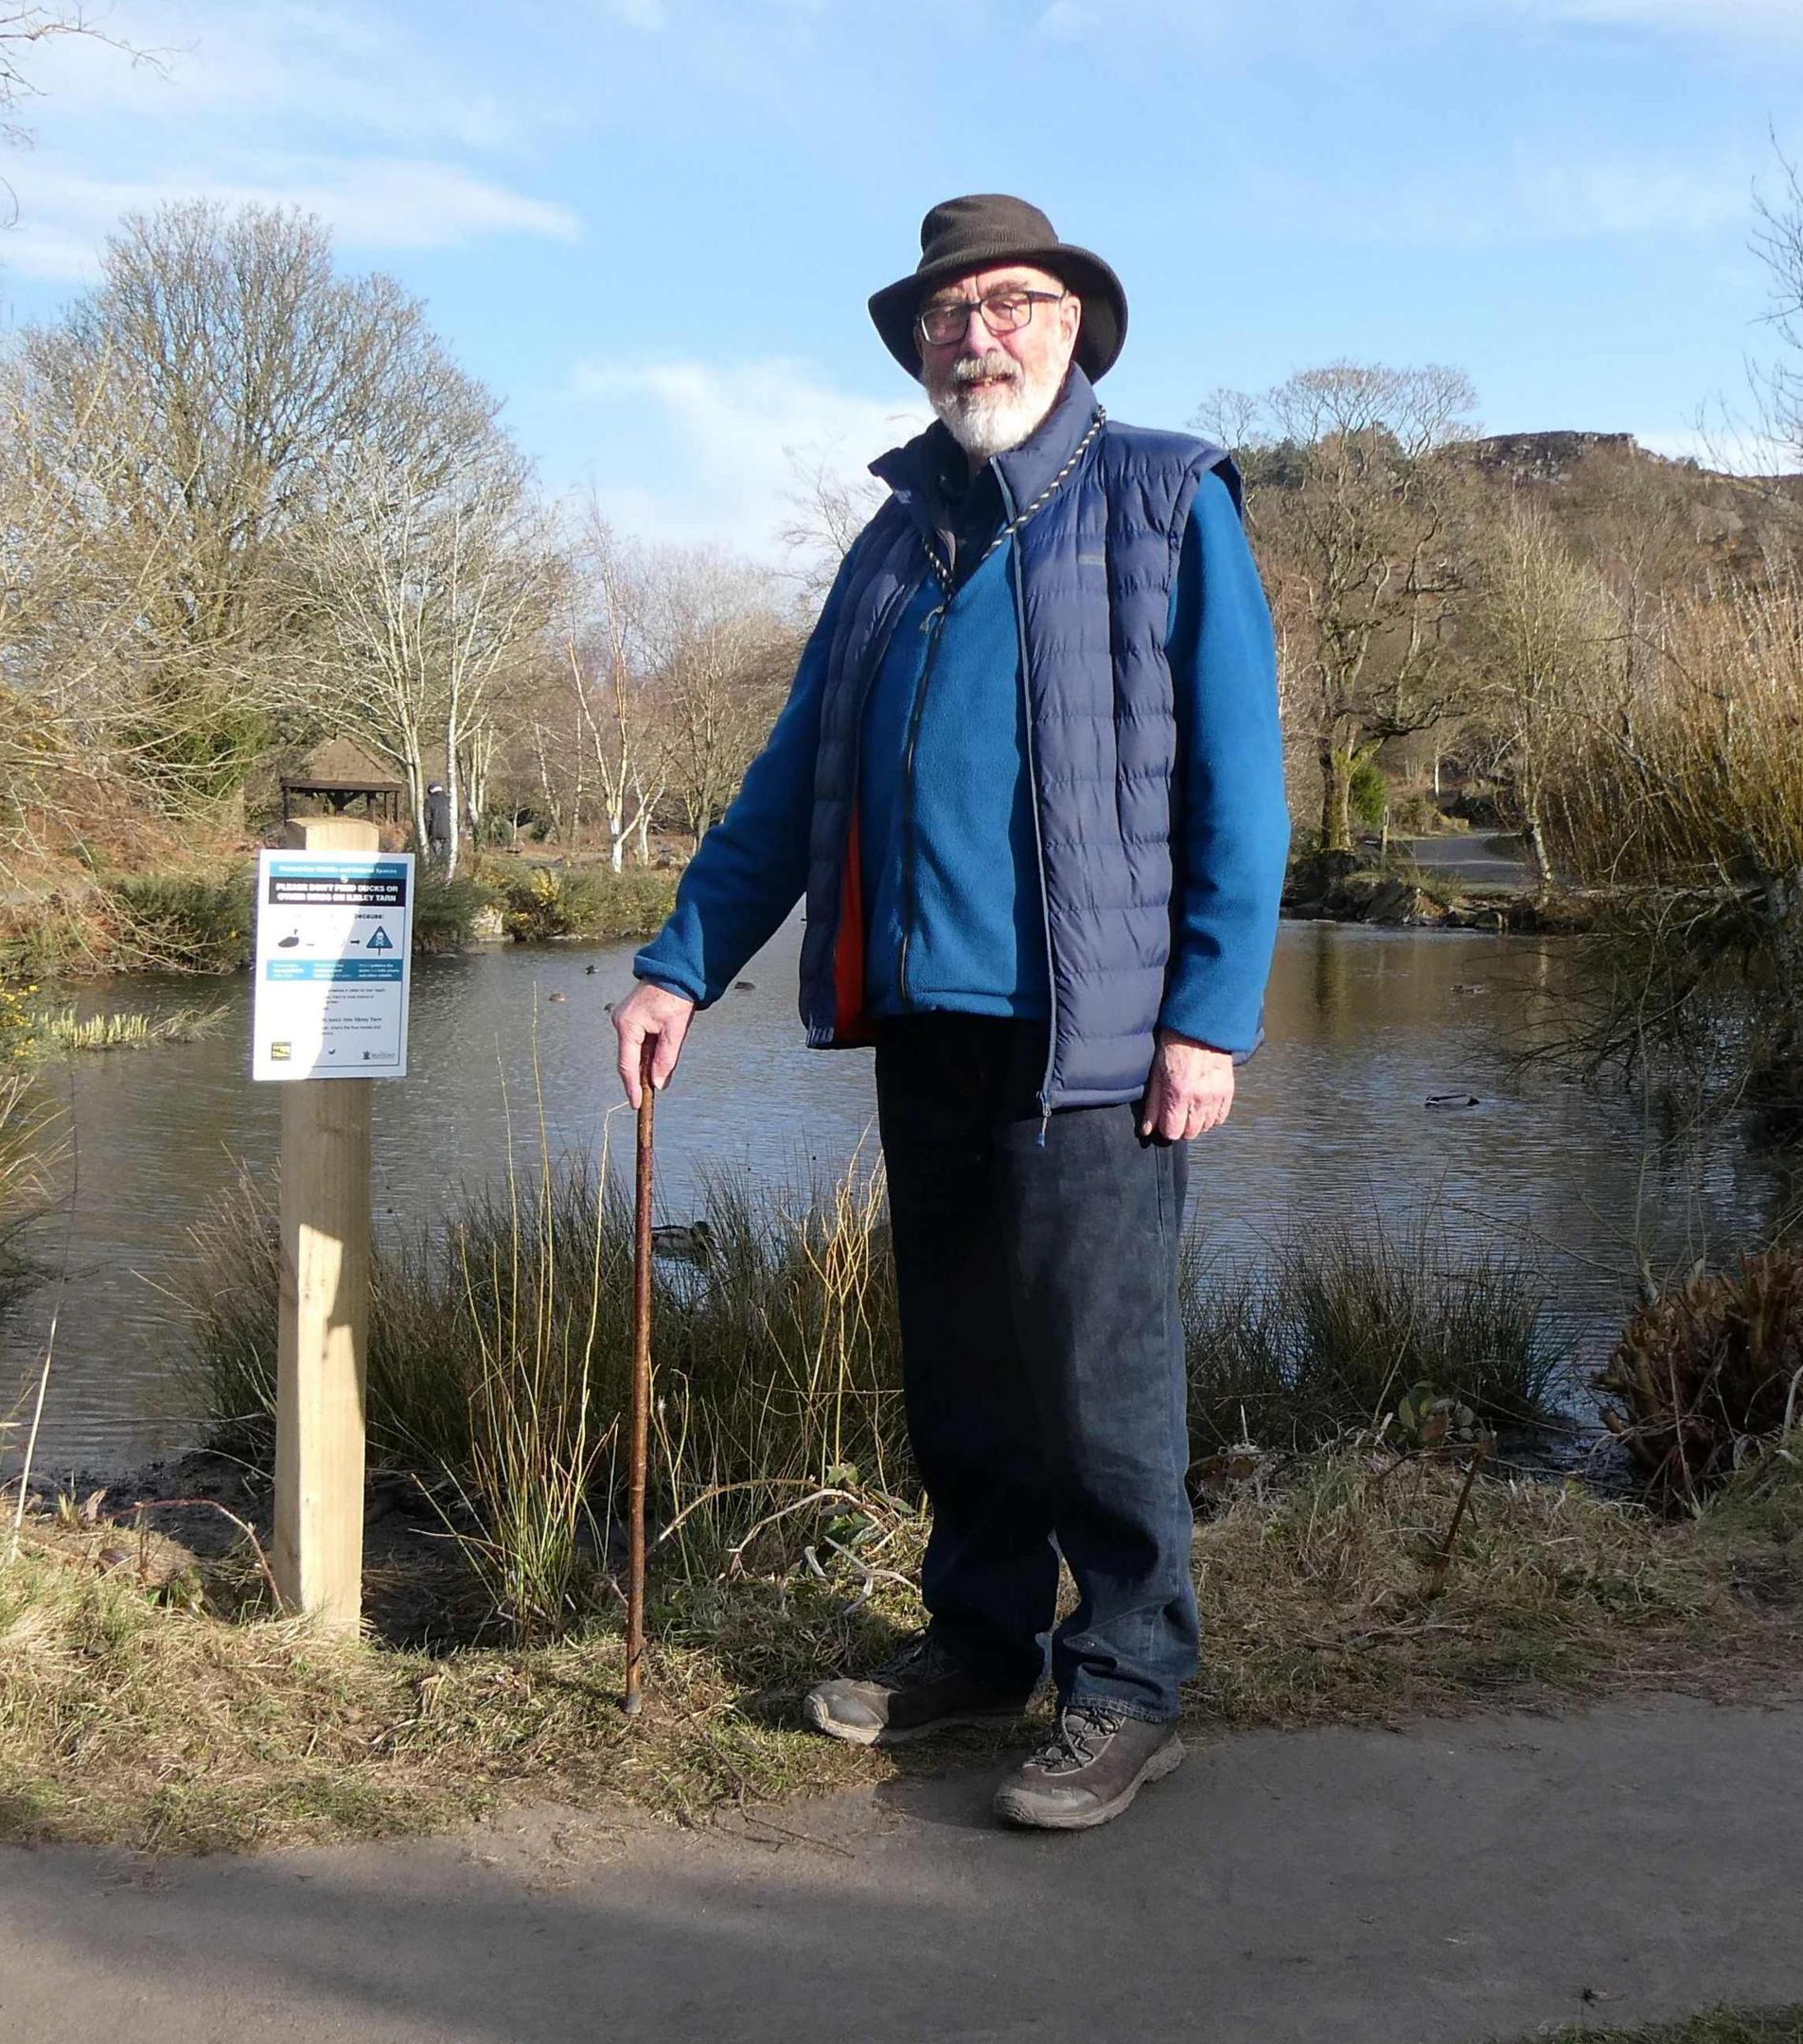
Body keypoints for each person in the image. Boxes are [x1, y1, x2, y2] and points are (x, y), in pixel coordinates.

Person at [612, 194, 1287, 1832]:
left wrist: (1211, 1016)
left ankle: (1126, 1684)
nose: (971, 332)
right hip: (928, 1022)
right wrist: (681, 959)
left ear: (1070, 324)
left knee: (1097, 1375)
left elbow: (1243, 784)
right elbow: (795, 785)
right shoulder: (891, 543)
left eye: (1005, 302)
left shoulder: (1165, 501)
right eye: (945, 311)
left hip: (1101, 1040)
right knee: (966, 1371)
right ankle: (980, 1645)